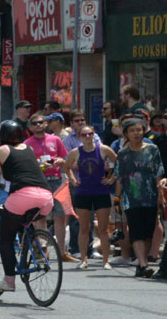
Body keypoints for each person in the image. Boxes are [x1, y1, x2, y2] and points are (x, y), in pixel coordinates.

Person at [0, 120, 55, 292]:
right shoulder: (28, 149)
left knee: (6, 238)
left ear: (0, 137)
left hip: (22, 196)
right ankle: (37, 244)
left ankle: (9, 281)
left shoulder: (1, 150)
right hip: (46, 196)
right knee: (23, 223)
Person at [114, 116, 167, 278]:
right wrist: (117, 199)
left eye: (139, 130)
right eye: (132, 131)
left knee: (148, 232)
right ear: (126, 134)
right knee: (136, 231)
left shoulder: (152, 150)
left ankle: (141, 263)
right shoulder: (123, 154)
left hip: (150, 197)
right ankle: (143, 264)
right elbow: (119, 178)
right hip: (131, 199)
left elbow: (159, 173)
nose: (136, 133)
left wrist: (160, 195)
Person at [62, 124, 117, 270]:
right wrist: (73, 181)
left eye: (90, 134)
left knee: (104, 229)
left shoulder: (103, 149)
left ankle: (106, 261)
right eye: (84, 135)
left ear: (94, 134)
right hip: (83, 192)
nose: (87, 137)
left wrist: (112, 178)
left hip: (101, 191)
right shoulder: (76, 152)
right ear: (79, 136)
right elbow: (66, 166)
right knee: (84, 228)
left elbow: (119, 162)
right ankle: (84, 259)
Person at [25, 111, 75, 262]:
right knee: (40, 218)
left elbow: (67, 159)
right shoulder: (27, 143)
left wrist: (60, 161)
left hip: (57, 180)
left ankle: (61, 252)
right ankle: (42, 250)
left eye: (41, 122)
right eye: (35, 123)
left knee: (60, 216)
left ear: (46, 124)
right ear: (31, 127)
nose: (39, 125)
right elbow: (27, 164)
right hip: (39, 182)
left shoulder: (56, 139)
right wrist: (40, 165)